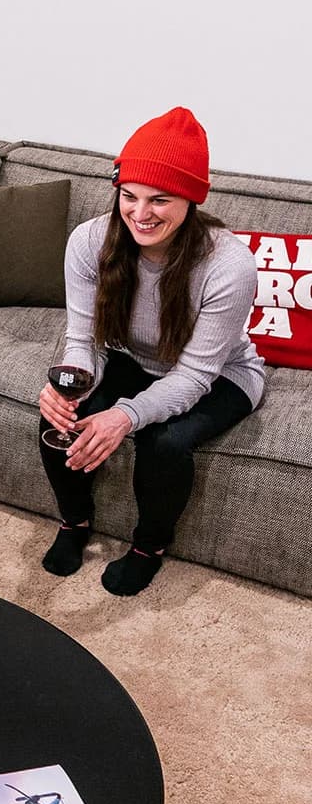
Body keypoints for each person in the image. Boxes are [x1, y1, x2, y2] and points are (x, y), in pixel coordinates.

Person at [38, 106, 264, 594]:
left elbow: (193, 378)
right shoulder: (89, 242)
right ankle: (75, 523)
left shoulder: (229, 265)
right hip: (133, 358)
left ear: (190, 201)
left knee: (164, 443)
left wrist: (124, 415)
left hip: (222, 374)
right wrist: (70, 385)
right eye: (130, 196)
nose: (140, 214)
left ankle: (148, 546)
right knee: (58, 418)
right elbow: (84, 340)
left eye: (160, 199)